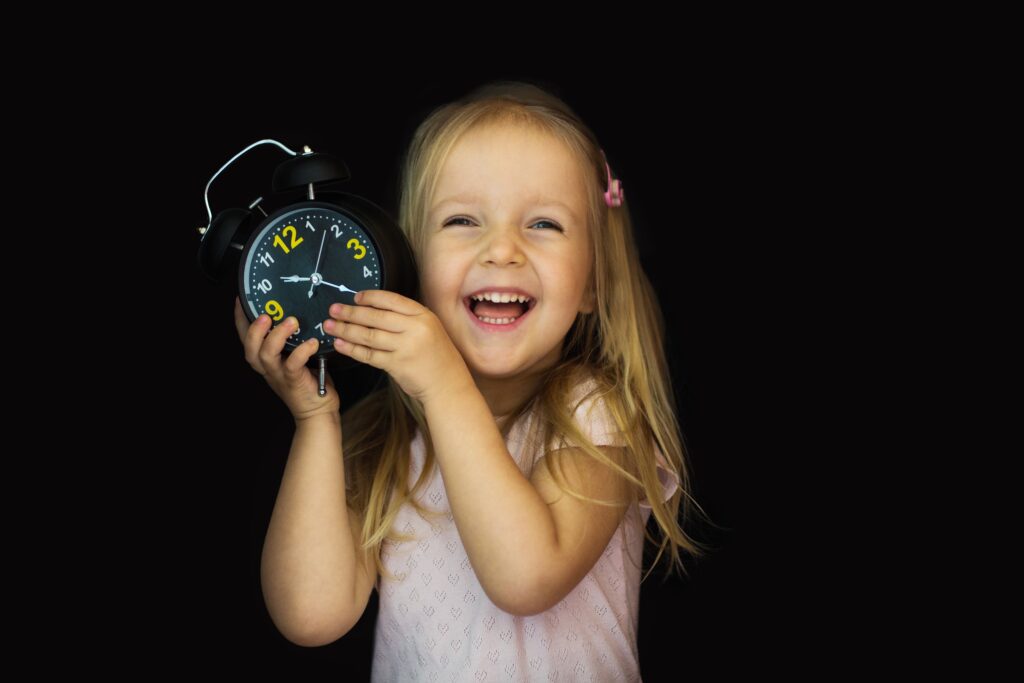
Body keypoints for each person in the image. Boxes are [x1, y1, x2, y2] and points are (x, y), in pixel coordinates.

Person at [234, 79, 712, 681]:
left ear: (592, 283)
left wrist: (443, 386)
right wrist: (315, 418)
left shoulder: (595, 415)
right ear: (407, 267)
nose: (502, 250)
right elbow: (311, 615)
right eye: (462, 219)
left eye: (543, 224)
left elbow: (526, 577)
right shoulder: (386, 441)